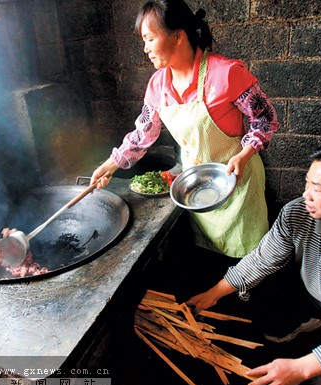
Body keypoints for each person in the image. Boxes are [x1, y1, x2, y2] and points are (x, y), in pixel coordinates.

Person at [187, 139, 321, 385]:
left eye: (318, 190)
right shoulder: (298, 212)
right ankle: (303, 322)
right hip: (309, 290)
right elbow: (263, 258)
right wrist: (211, 295)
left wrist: (301, 368)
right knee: (259, 287)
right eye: (307, 182)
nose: (305, 195)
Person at [90, 0, 280, 258]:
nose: (145, 49)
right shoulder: (158, 85)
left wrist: (245, 153)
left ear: (178, 35)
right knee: (206, 259)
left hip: (238, 183)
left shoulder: (225, 74)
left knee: (246, 260)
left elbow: (265, 117)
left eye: (149, 39)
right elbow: (142, 133)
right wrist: (109, 165)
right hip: (197, 188)